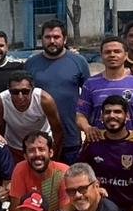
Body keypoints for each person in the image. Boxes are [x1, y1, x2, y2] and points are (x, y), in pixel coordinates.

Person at [25, 18, 91, 163]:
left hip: (71, 138)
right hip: (40, 141)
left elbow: (88, 98)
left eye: (56, 37)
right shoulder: (31, 64)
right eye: (47, 37)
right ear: (41, 39)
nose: (52, 41)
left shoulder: (79, 62)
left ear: (64, 39)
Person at [75, 36, 133, 138]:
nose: (112, 55)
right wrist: (87, 128)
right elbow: (80, 114)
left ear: (126, 55)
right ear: (101, 56)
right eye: (107, 52)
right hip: (100, 143)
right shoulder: (90, 84)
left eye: (117, 51)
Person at [5, 131, 70, 211]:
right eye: (31, 151)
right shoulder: (20, 169)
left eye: (41, 149)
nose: (37, 154)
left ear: (51, 152)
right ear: (25, 156)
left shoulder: (64, 172)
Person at [0, 71, 62, 158]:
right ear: (9, 90)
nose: (20, 97)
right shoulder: (1, 102)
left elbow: (57, 130)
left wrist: (54, 155)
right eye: (15, 92)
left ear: (32, 89)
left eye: (25, 91)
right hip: (14, 146)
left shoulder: (44, 100)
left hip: (41, 145)